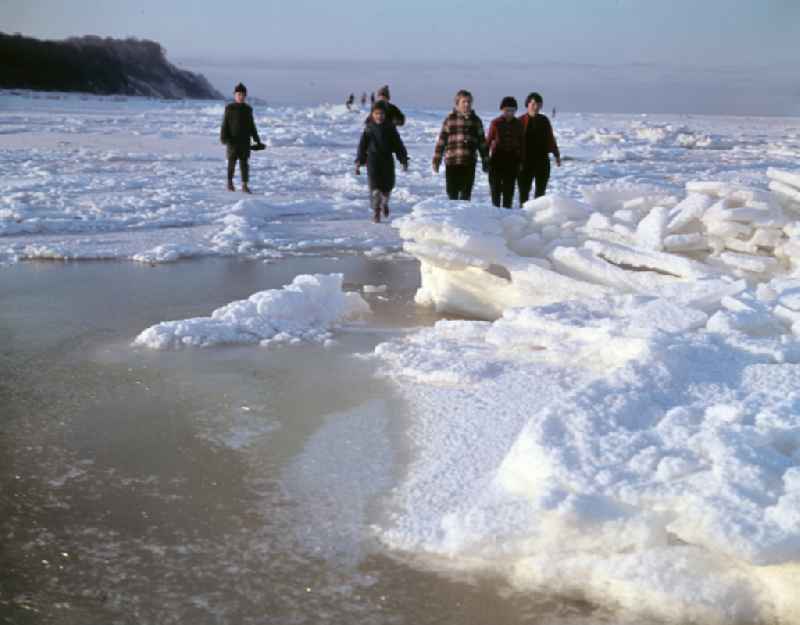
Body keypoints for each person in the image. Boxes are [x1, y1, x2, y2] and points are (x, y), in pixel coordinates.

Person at [355, 101, 409, 223]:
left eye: (381, 113)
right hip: (373, 160)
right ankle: (376, 211)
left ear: (385, 114)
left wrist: (403, 159)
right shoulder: (369, 128)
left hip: (387, 160)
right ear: (372, 114)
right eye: (376, 113)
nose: (379, 116)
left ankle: (384, 202)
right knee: (375, 187)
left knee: (388, 186)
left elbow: (398, 145)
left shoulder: (390, 128)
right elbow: (362, 146)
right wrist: (359, 161)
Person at [432, 89, 488, 201]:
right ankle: (453, 217)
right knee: (452, 194)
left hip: (469, 162)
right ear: (457, 103)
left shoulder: (476, 121)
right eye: (464, 102)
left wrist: (485, 160)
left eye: (469, 102)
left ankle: (464, 217)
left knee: (465, 195)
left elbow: (482, 143)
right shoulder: (450, 120)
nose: (467, 104)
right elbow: (442, 141)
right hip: (452, 162)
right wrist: (437, 159)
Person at [220, 83, 264, 193]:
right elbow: (225, 124)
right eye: (239, 94)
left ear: (245, 96)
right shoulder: (229, 108)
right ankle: (230, 183)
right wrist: (224, 138)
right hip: (232, 141)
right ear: (235, 95)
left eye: (243, 94)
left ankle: (244, 185)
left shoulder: (248, 109)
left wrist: (257, 140)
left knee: (244, 164)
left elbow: (252, 126)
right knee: (232, 163)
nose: (241, 96)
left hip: (244, 141)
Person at [518, 92, 560, 205]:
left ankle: (537, 216)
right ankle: (524, 214)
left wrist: (556, 155)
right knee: (524, 192)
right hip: (525, 162)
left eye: (538, 104)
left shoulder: (544, 120)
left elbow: (551, 138)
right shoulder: (520, 121)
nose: (535, 106)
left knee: (540, 193)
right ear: (527, 104)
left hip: (542, 161)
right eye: (533, 103)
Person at [486, 96, 523, 208]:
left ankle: (507, 214)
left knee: (509, 189)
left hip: (512, 160)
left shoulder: (518, 124)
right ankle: (495, 212)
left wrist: (521, 161)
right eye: (507, 110)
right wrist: (485, 159)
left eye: (512, 110)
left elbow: (522, 144)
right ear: (502, 110)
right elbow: (488, 141)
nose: (509, 113)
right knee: (495, 189)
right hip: (496, 159)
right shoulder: (495, 123)